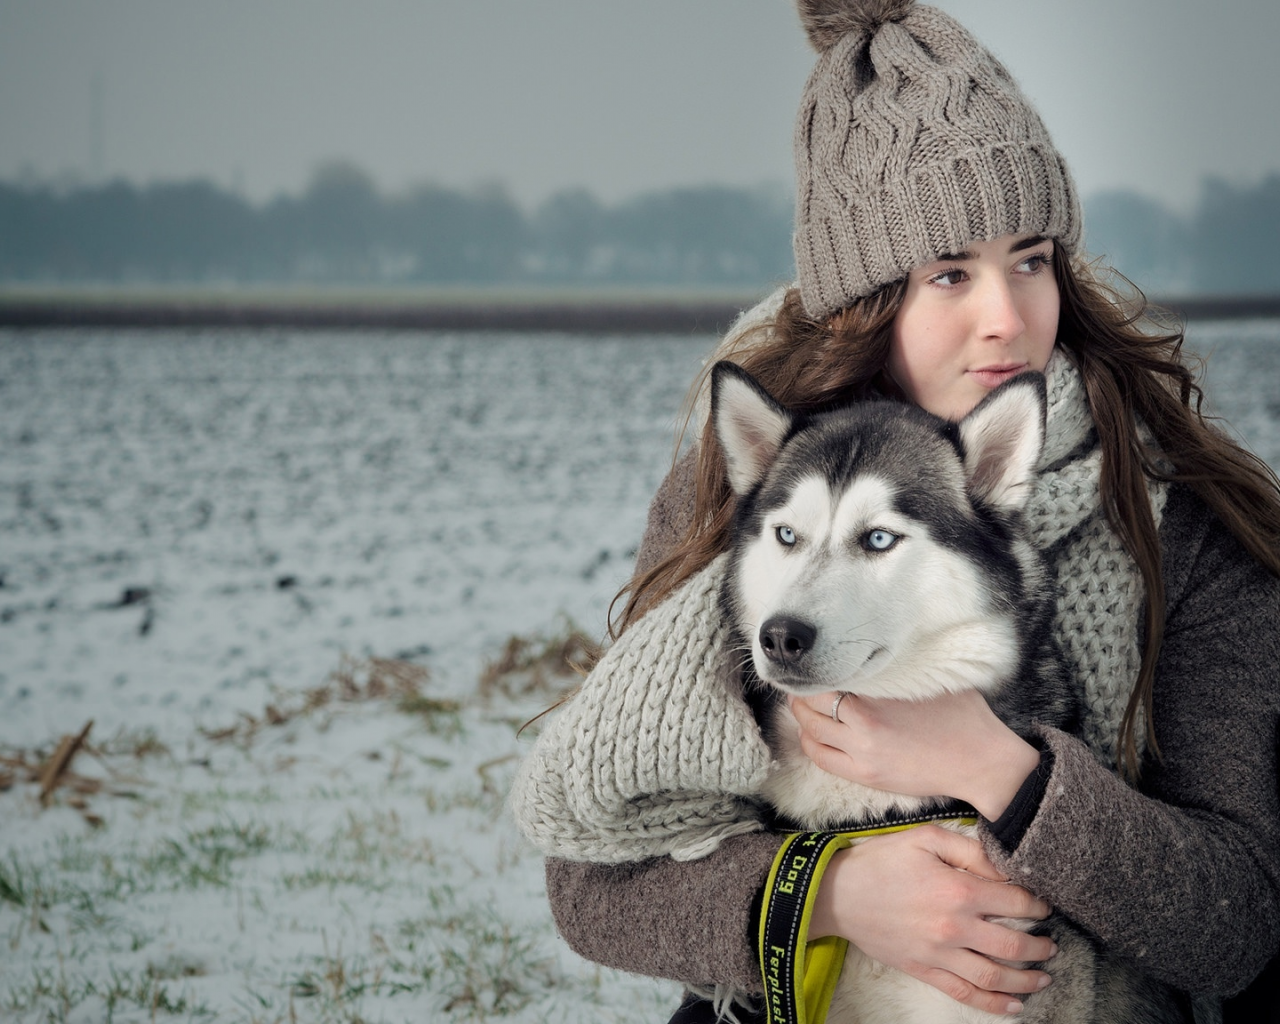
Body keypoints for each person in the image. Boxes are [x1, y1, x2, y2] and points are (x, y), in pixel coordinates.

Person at [508, 1, 1280, 1021]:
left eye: (1031, 260)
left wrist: (992, 765)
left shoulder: (1179, 519)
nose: (1005, 316)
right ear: (869, 298)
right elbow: (592, 885)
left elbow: (1233, 921)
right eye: (948, 273)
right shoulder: (754, 488)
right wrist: (829, 893)